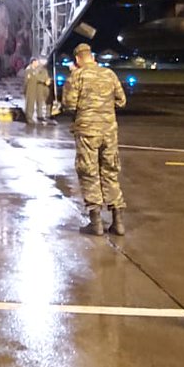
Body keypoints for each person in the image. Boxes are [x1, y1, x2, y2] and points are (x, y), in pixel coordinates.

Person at [62, 43, 128, 236]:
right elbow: (121, 100)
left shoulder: (77, 76)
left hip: (87, 132)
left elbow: (69, 104)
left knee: (89, 172)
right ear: (91, 56)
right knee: (110, 171)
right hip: (109, 131)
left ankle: (96, 223)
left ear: (77, 59)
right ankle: (118, 222)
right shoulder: (109, 74)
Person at [23, 57, 53, 125]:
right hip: (30, 89)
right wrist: (44, 81)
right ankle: (29, 118)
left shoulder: (37, 69)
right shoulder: (29, 70)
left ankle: (34, 117)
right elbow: (31, 79)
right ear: (33, 62)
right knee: (30, 104)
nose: (38, 63)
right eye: (37, 62)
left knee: (35, 103)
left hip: (35, 88)